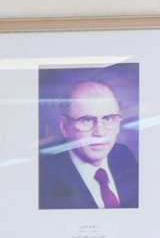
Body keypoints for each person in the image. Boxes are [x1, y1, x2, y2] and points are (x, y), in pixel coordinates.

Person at [38, 78, 139, 209]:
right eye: (87, 120)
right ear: (65, 127)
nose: (100, 133)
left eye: (109, 118)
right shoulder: (42, 179)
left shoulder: (124, 155)